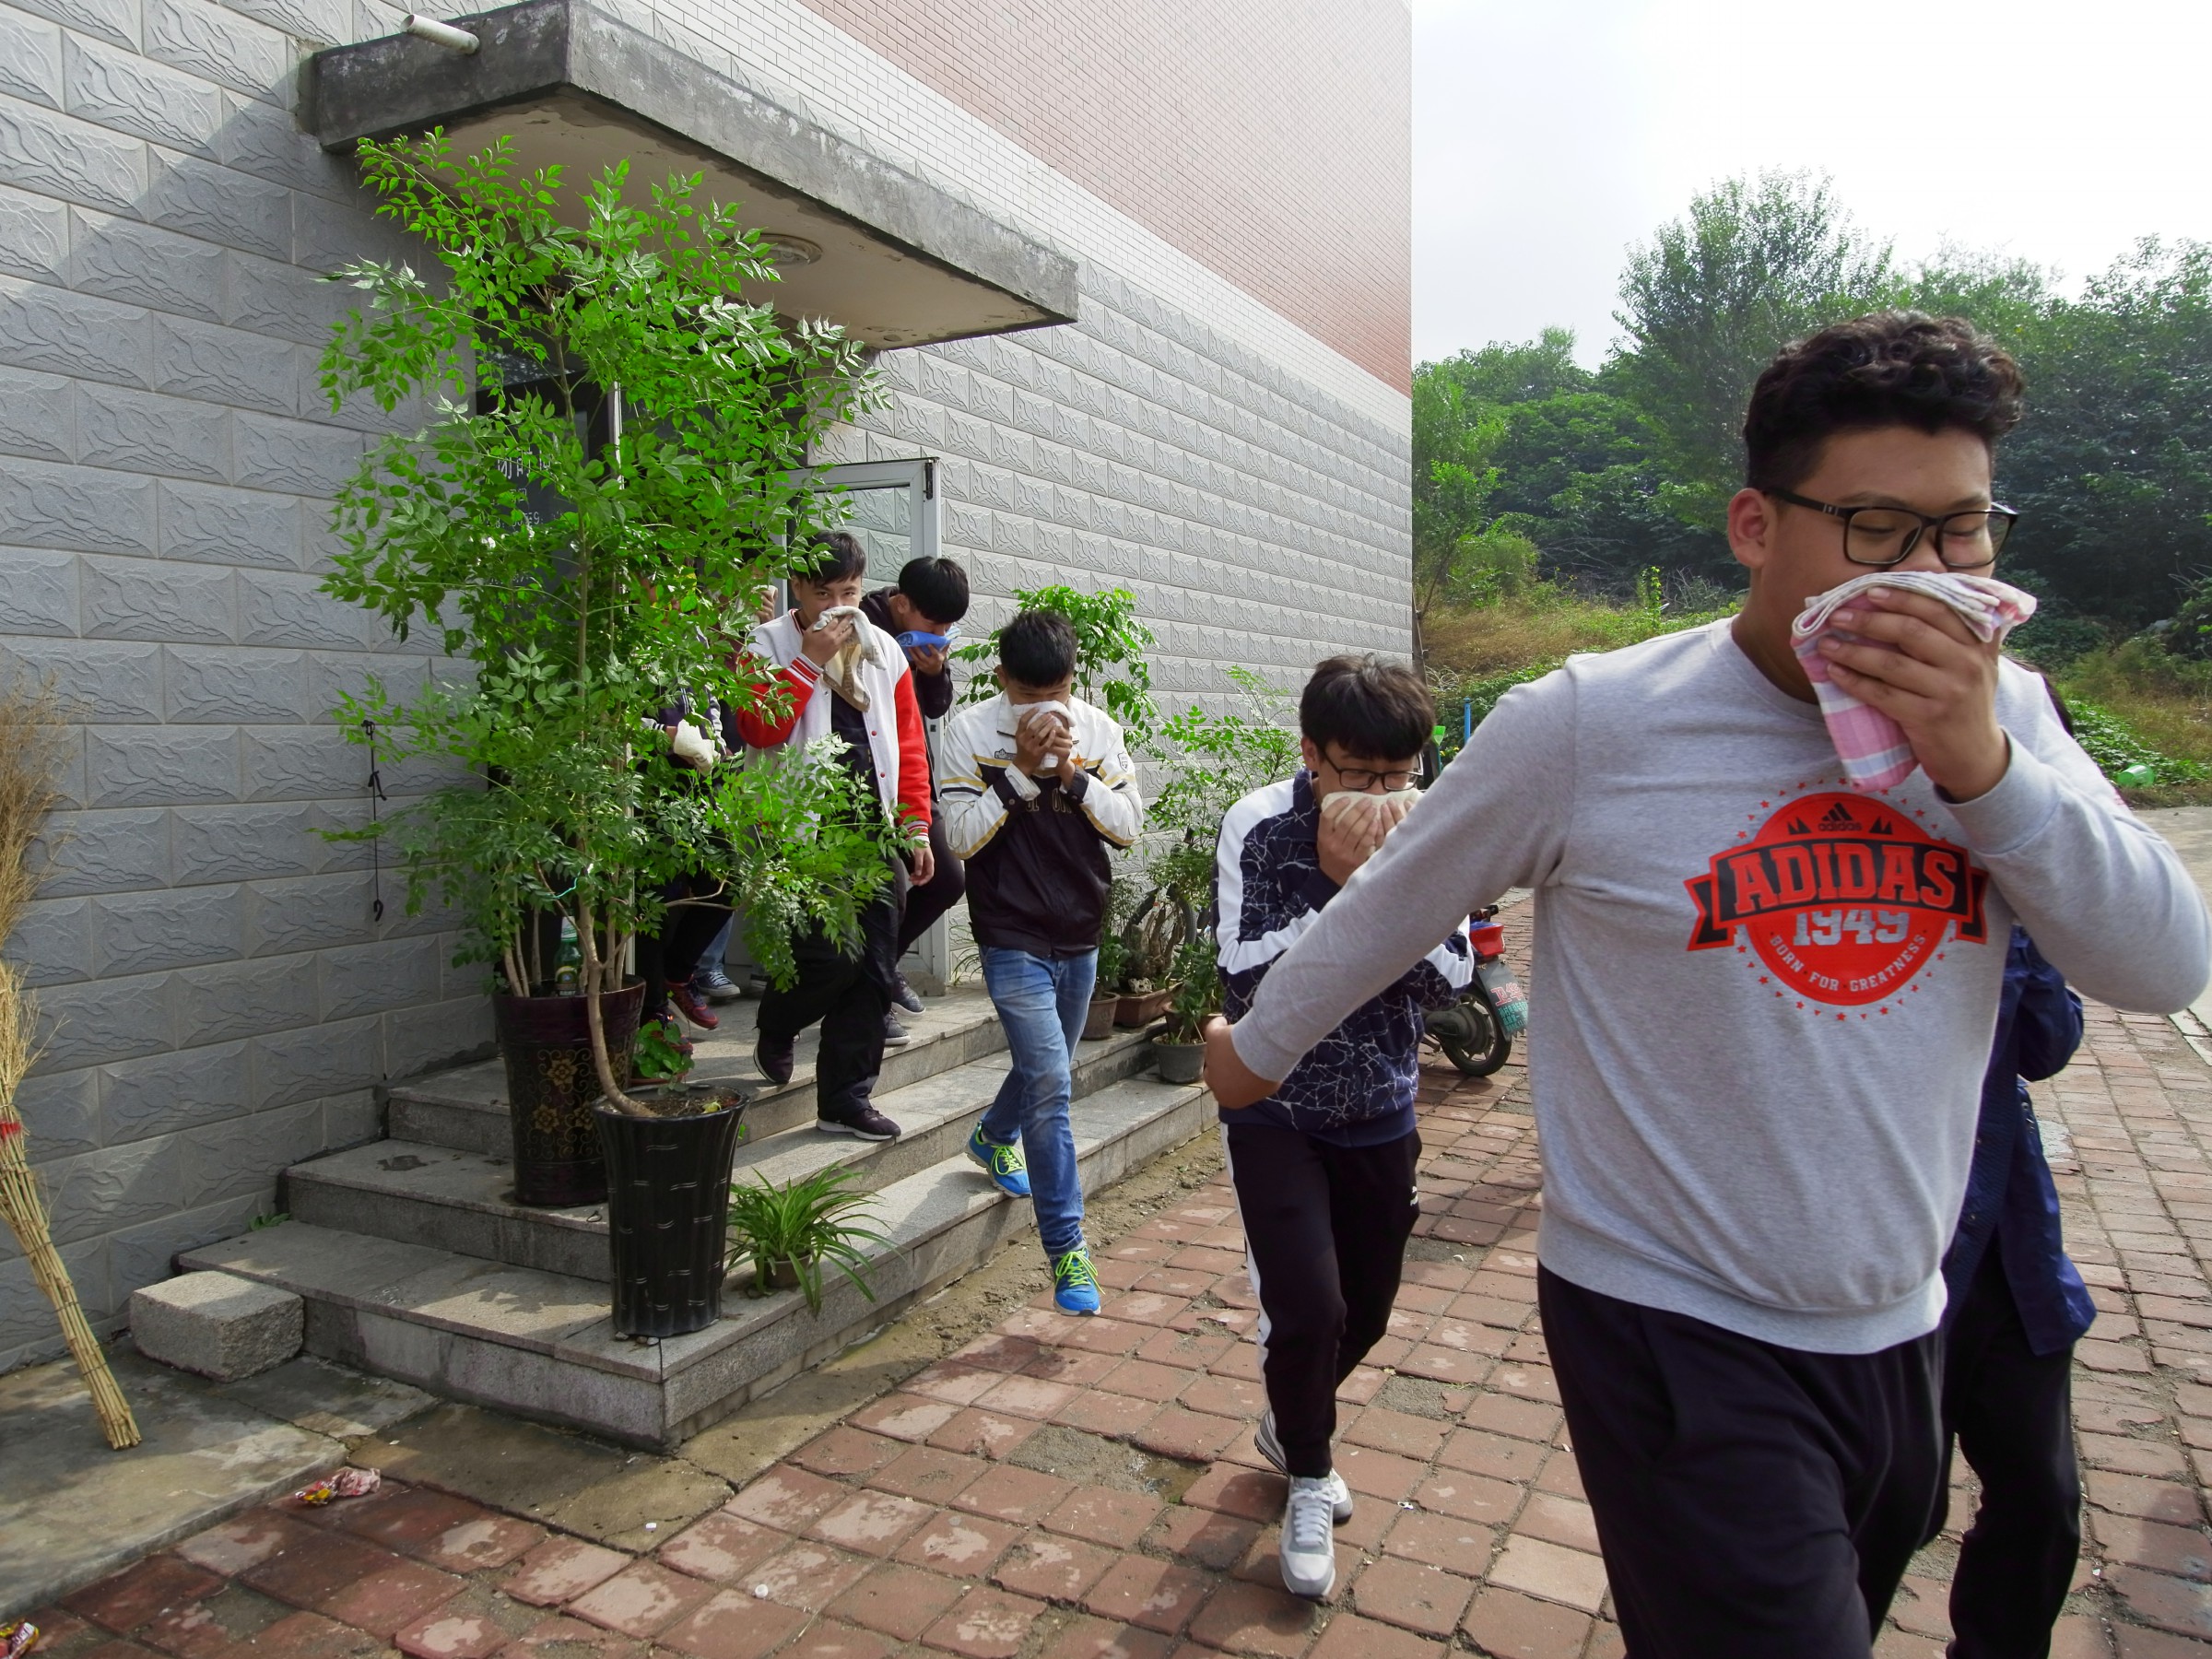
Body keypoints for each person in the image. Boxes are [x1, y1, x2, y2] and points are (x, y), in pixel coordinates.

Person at [1202, 312, 2210, 1654]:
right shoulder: (1590, 723)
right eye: (1878, 530)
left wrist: (1981, 764)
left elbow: (2161, 963)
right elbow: (1394, 900)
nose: (1930, 577)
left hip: (1905, 1314)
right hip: (1669, 1318)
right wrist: (1255, 1053)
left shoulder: (2005, 712)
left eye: (1964, 532)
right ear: (1756, 525)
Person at [1214, 654, 1472, 1599]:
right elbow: (1243, 976)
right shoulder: (1258, 824)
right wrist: (1336, 885)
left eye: (1399, 774)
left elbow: (1451, 978)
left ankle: (1293, 1423)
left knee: (1368, 1309)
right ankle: (1311, 1477)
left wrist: (1382, 880)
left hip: (1382, 1107)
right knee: (1309, 1310)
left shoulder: (1427, 825)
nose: (1381, 795)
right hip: (1274, 1108)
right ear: (1311, 756)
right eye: (1359, 774)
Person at [937, 609, 1143, 1314]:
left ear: (1073, 679)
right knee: (1052, 1083)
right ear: (1002, 680)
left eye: (1057, 692)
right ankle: (1068, 1250)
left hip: (1080, 932)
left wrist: (1074, 776)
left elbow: (1129, 828)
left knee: (1040, 1068)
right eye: (1029, 697)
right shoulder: (970, 733)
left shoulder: (1099, 732)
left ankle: (993, 1135)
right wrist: (1021, 772)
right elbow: (960, 839)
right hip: (1010, 934)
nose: (1045, 709)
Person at [732, 532, 934, 1140]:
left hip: (873, 826)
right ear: (797, 587)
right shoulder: (765, 644)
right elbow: (757, 729)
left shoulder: (883, 649)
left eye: (849, 592)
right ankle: (779, 1021)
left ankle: (846, 1100)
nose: (838, 607)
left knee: (873, 968)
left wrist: (915, 825)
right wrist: (808, 661)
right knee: (828, 958)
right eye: (824, 594)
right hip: (799, 828)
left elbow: (909, 744)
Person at [1931, 920, 2088, 1659]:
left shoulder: (2008, 892)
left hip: (2010, 1248)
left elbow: (2048, 1044)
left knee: (2042, 1500)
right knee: (1897, 1509)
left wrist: (2021, 918)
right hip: (1899, 1264)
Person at [859, 556, 972, 1036]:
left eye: (947, 627)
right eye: (934, 624)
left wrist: (934, 672)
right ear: (901, 603)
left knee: (946, 879)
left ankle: (881, 971)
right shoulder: (861, 628)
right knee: (886, 893)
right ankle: (868, 993)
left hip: (911, 776)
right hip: (864, 781)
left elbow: (936, 708)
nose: (940, 633)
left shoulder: (921, 640)